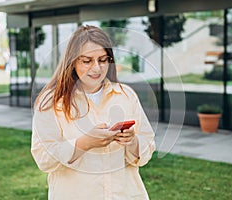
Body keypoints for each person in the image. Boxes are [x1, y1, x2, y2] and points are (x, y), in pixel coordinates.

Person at [31, 25, 156, 200]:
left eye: (103, 60)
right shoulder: (51, 102)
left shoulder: (126, 95)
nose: (96, 68)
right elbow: (44, 159)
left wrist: (132, 141)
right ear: (72, 62)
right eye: (87, 61)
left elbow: (147, 146)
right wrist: (84, 143)